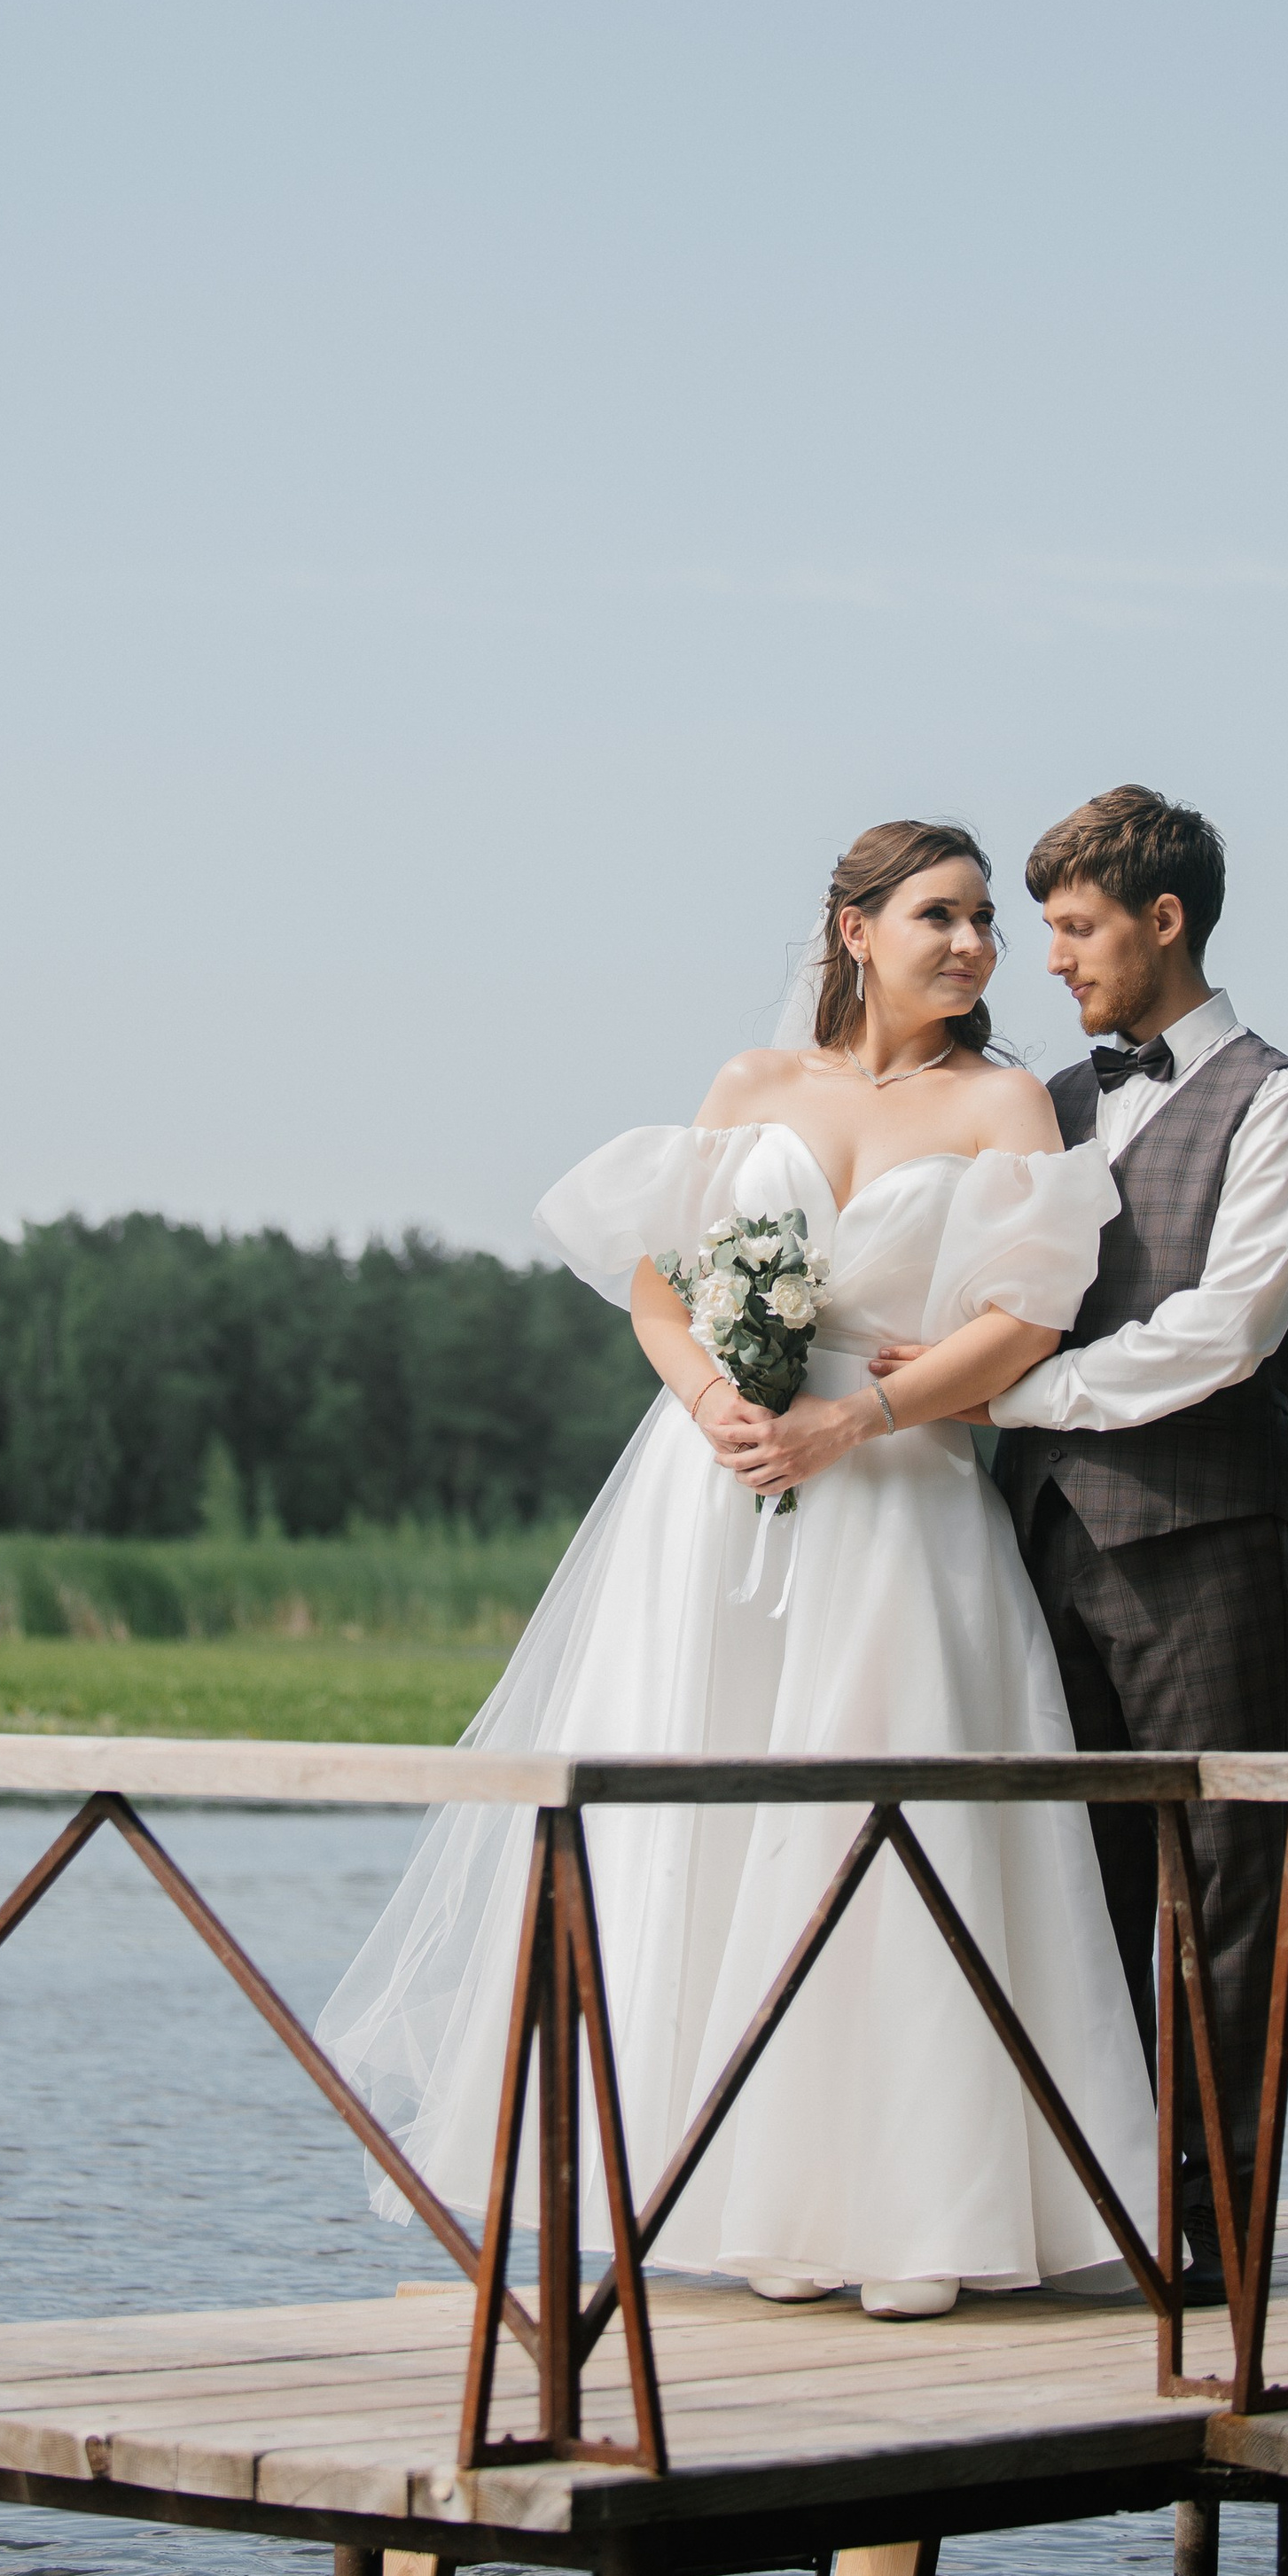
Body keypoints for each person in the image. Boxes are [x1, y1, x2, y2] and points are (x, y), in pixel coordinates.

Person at [319, 819, 1155, 2321]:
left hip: (896, 1493)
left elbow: (1028, 1321)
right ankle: (733, 2194)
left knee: (880, 1825)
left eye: (983, 920)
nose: (975, 946)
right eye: (941, 916)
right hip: (712, 1499)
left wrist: (859, 1418)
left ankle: (915, 2215)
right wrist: (711, 1397)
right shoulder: (751, 1087)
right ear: (855, 930)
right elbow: (660, 1287)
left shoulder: (1006, 1101)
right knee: (697, 1829)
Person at [986, 785, 1288, 2306]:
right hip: (1031, 1545)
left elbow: (1230, 1329)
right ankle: (1105, 2217)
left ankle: (1228, 2246)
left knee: (1231, 1885)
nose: (1053, 959)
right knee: (1077, 1888)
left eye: (1076, 928)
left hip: (1202, 1547)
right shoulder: (1046, 1102)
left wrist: (1025, 1395)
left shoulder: (1279, 1101)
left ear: (1165, 919)